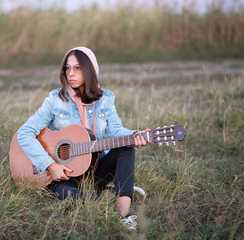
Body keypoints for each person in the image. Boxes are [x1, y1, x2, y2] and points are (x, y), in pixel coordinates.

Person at [17, 46, 151, 229]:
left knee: (126, 146)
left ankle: (123, 214)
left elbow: (116, 130)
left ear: (91, 70)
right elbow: (24, 133)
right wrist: (51, 165)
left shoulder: (105, 99)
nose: (71, 73)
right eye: (67, 67)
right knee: (69, 195)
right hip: (63, 176)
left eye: (78, 68)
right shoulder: (55, 100)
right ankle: (110, 194)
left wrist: (136, 135)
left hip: (95, 169)